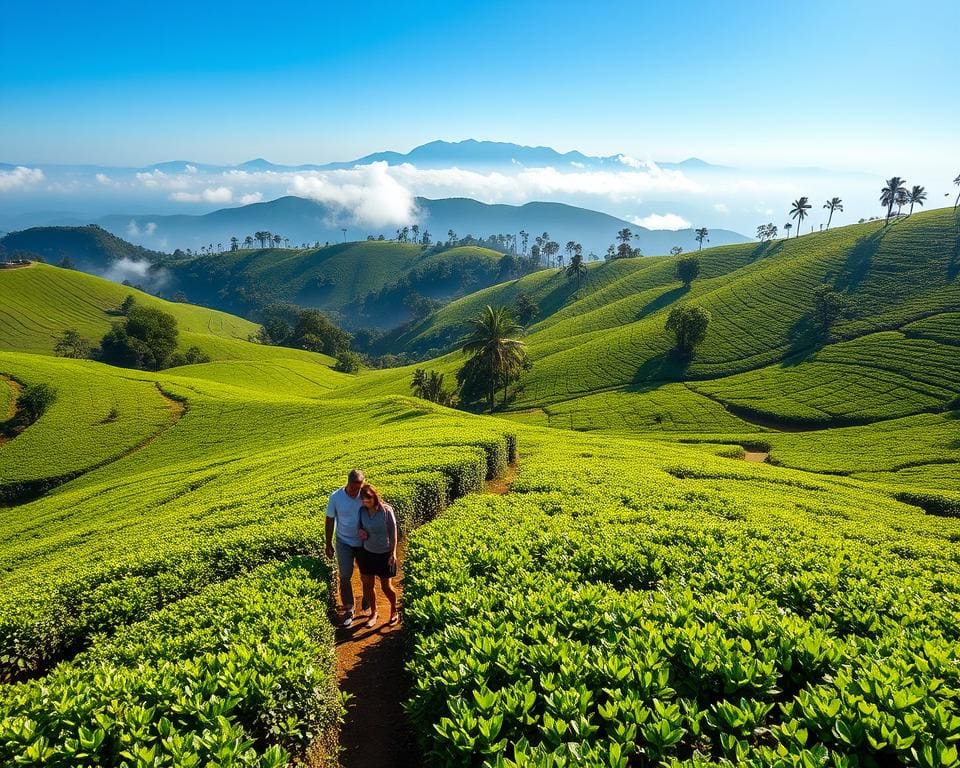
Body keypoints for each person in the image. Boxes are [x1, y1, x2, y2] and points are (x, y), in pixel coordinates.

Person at [325, 468, 370, 628]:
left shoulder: (365, 494)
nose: (355, 491)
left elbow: (376, 509)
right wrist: (328, 543)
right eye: (353, 487)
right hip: (343, 541)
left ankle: (367, 596)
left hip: (364, 543)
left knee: (366, 574)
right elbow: (329, 519)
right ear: (348, 482)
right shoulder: (336, 497)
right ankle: (349, 609)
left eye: (358, 488)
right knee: (345, 576)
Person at [356, 483, 400, 628]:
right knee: (368, 585)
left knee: (386, 586)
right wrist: (361, 532)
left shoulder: (386, 510)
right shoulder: (362, 511)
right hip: (368, 552)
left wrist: (393, 553)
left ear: (374, 496)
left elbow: (393, 534)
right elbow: (358, 526)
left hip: (384, 553)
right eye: (363, 499)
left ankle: (394, 609)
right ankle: (374, 613)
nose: (365, 501)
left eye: (368, 498)